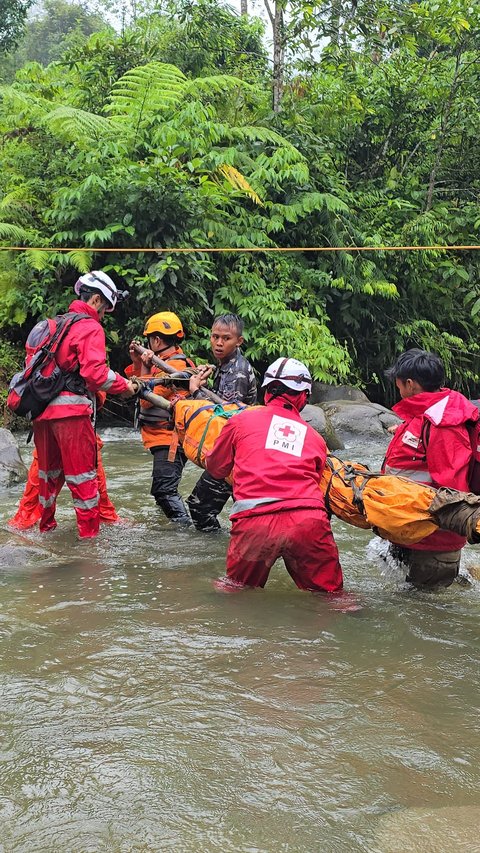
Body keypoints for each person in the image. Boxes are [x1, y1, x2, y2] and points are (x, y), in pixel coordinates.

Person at [204, 357, 343, 593]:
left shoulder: (240, 421)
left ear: (266, 391)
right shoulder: (316, 440)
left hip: (255, 520)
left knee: (235, 593)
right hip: (308, 520)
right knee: (332, 598)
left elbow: (215, 468)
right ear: (303, 397)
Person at [31, 271, 136, 538]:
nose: (104, 316)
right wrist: (126, 387)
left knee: (48, 479)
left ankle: (45, 530)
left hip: (41, 413)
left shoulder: (51, 326)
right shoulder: (90, 327)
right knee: (84, 482)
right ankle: (90, 547)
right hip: (72, 414)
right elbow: (96, 374)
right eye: (105, 310)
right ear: (97, 300)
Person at [383, 348, 479, 588]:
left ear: (410, 384)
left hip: (432, 542)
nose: (399, 391)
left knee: (423, 613)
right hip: (412, 530)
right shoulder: (427, 413)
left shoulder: (443, 424)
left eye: (399, 386)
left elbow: (454, 490)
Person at [187, 313, 257, 531]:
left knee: (200, 506)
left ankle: (215, 553)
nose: (218, 343)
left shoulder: (238, 372)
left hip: (235, 453)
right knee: (240, 509)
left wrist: (196, 390)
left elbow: (227, 415)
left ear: (239, 341)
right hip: (233, 451)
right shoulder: (224, 365)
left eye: (225, 338)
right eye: (215, 337)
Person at [9, 393, 120, 529]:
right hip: (79, 432)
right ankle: (92, 536)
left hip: (48, 432)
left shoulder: (40, 372)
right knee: (97, 497)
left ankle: (23, 531)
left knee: (32, 502)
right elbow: (98, 396)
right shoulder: (86, 372)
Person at [126, 312, 196, 524]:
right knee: (163, 494)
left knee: (164, 492)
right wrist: (139, 362)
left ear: (156, 340)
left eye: (150, 339)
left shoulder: (176, 367)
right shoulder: (163, 362)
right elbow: (138, 382)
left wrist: (146, 366)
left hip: (171, 438)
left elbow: (147, 400)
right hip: (162, 438)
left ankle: (185, 532)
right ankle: (171, 528)